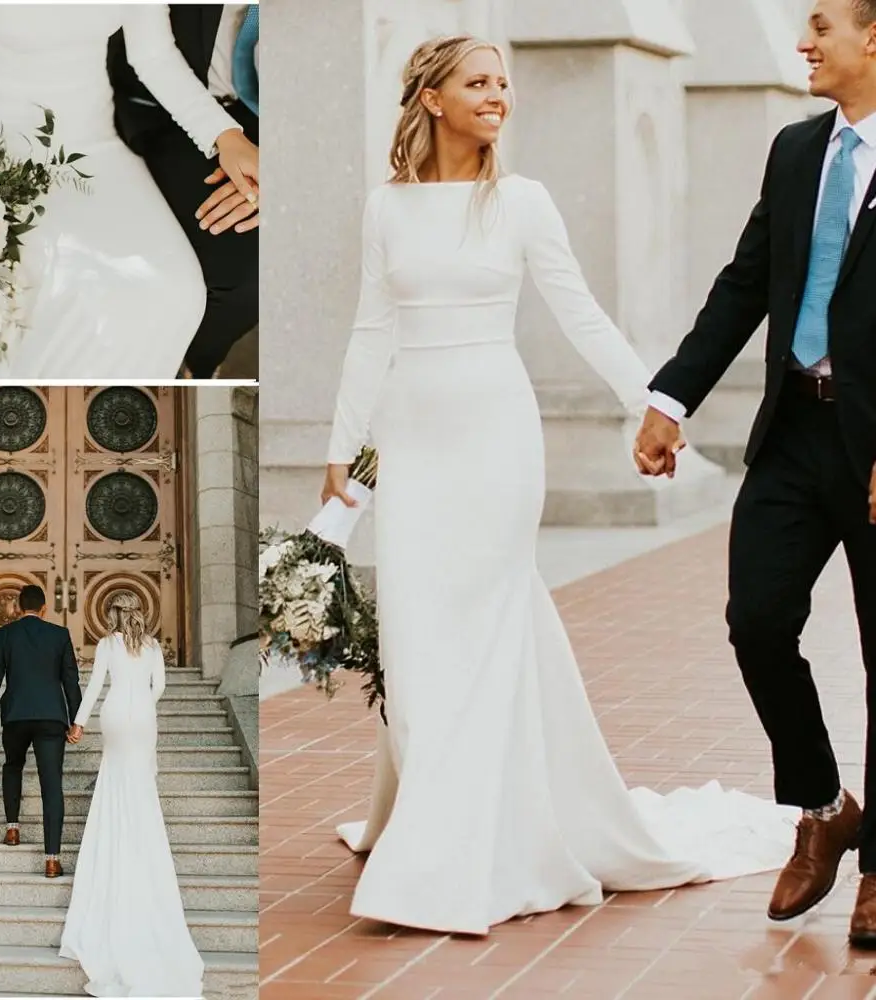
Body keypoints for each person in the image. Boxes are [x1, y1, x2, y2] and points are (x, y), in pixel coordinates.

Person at [321, 34, 798, 937]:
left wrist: (653, 404)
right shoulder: (385, 207)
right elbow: (369, 329)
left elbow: (580, 311)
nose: (498, 95)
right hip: (412, 434)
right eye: (478, 82)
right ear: (430, 98)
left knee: (489, 616)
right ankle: (435, 810)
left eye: (505, 83)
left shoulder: (525, 203)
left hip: (497, 434)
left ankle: (461, 849)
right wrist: (345, 445)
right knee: (420, 631)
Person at [635, 0, 876, 946]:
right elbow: (746, 279)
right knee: (758, 621)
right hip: (795, 434)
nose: (803, 43)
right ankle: (822, 807)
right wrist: (671, 397)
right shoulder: (794, 148)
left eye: (820, 24)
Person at [0, 5, 247, 378]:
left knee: (176, 289)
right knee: (35, 290)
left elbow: (153, 56)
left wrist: (223, 135)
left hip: (93, 146)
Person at [59, 592, 203, 998]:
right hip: (143, 715)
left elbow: (93, 688)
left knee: (115, 776)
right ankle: (139, 836)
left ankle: (117, 837)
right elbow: (161, 686)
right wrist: (143, 703)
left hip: (114, 715)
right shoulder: (154, 646)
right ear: (139, 613)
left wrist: (79, 723)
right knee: (139, 781)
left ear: (113, 615)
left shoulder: (107, 645)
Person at [0, 584, 82, 880]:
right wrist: (77, 719)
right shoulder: (60, 635)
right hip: (51, 717)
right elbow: (71, 680)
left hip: (16, 715)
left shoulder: (4, 635)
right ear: (44, 608)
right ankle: (52, 860)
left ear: (19, 608)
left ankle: (13, 829)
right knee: (51, 783)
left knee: (13, 765)